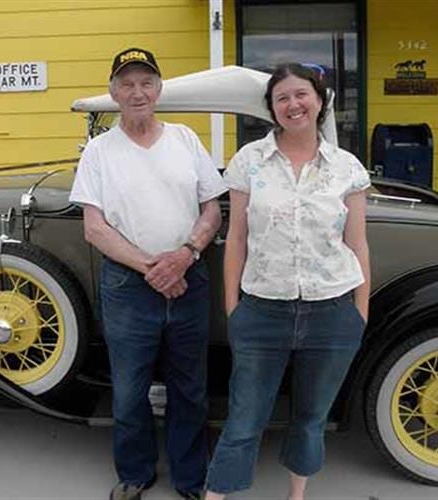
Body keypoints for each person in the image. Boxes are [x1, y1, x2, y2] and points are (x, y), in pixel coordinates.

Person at [204, 63, 371, 500]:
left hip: (333, 311)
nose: (293, 104)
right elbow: (235, 237)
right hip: (262, 311)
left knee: (311, 417)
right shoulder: (249, 162)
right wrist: (233, 309)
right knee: (244, 418)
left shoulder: (346, 168)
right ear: (272, 109)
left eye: (302, 94)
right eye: (282, 98)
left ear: (320, 100)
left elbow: (358, 243)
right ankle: (217, 493)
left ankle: (297, 495)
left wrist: (360, 312)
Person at [69, 48, 227, 500]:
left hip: (189, 279)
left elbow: (212, 209)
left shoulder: (184, 138)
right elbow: (94, 228)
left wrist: (185, 254)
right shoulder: (99, 152)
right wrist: (155, 269)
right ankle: (135, 474)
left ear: (158, 89)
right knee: (129, 391)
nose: (137, 92)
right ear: (114, 92)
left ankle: (191, 478)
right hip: (128, 287)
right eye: (127, 83)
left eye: (146, 83)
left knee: (189, 388)